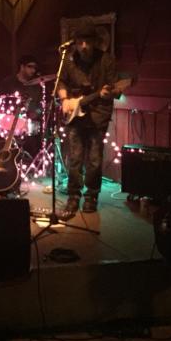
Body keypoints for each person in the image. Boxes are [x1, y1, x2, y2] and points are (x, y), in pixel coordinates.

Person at [58, 21, 119, 214]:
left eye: (87, 42)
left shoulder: (106, 60)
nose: (83, 46)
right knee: (74, 158)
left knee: (94, 160)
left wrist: (108, 93)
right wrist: (65, 100)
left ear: (95, 42)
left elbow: (114, 87)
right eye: (80, 42)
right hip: (75, 115)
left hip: (98, 115)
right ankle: (73, 196)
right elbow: (61, 82)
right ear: (75, 43)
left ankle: (91, 196)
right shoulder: (69, 59)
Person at [0, 54, 44, 158]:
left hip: (31, 125)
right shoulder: (8, 83)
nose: (33, 70)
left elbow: (42, 106)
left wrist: (36, 113)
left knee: (34, 140)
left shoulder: (37, 86)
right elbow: (0, 102)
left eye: (35, 68)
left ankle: (31, 160)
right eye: (30, 66)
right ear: (22, 66)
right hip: (10, 124)